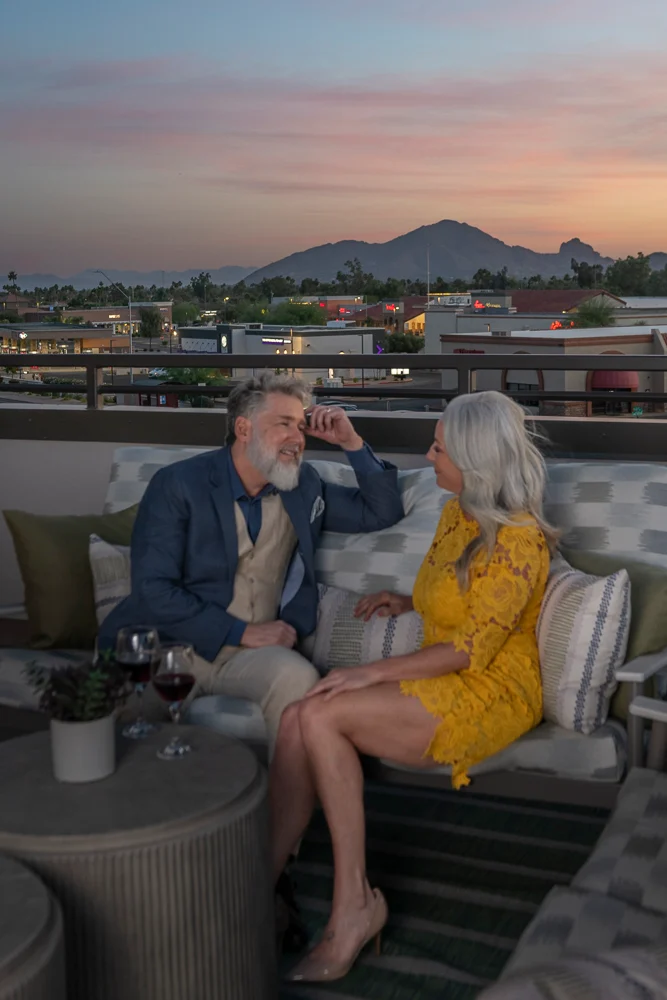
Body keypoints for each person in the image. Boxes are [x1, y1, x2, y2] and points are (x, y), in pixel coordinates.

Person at [271, 390, 558, 983]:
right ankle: (266, 877)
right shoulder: (458, 513)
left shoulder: (521, 540)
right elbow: (457, 601)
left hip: (492, 686)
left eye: (439, 448)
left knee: (320, 711)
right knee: (303, 712)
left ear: (475, 462)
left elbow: (470, 647)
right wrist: (404, 601)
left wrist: (368, 671)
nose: (429, 458)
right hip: (449, 667)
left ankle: (352, 909)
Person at [99, 372, 404, 751]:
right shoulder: (178, 485)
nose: (298, 437)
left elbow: (380, 512)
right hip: (171, 647)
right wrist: (240, 632)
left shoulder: (302, 485)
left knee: (297, 680)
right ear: (244, 429)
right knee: (114, 739)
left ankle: (283, 807)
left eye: (300, 425)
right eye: (283, 424)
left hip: (254, 658)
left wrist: (351, 442)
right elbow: (152, 589)